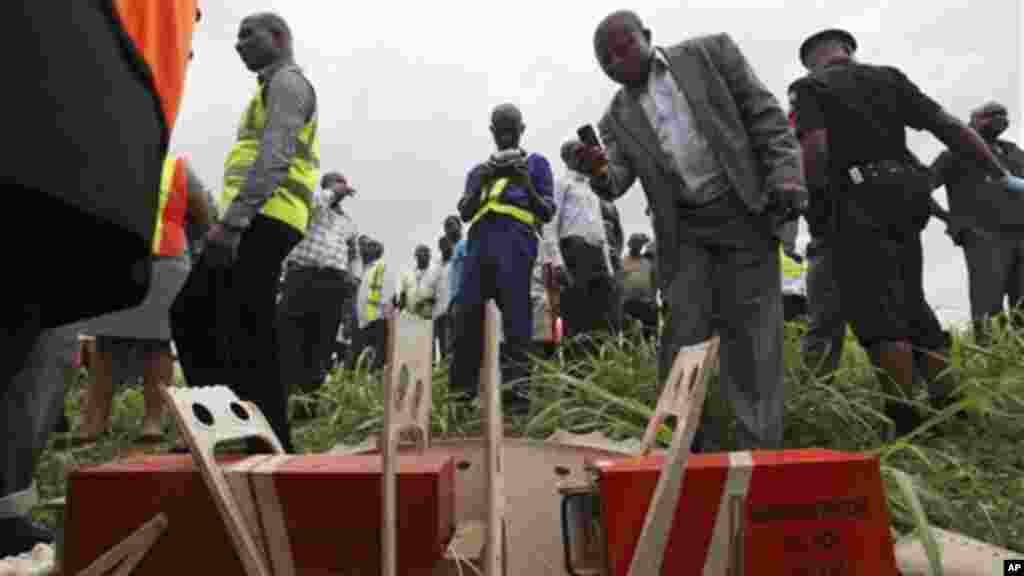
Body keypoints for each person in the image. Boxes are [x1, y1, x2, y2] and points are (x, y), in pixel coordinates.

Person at [2, 0, 200, 556]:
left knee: (44, 338)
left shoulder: (178, 165)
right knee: (54, 337)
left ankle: (8, 501)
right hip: (61, 108)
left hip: (107, 166)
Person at [580, 11, 806, 452]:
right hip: (684, 235)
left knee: (753, 337)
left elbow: (764, 115)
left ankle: (758, 451)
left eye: (624, 48)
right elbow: (616, 180)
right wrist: (597, 170)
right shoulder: (616, 118)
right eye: (606, 60)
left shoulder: (710, 53)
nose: (617, 62)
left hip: (743, 211)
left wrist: (786, 174)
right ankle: (685, 451)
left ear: (647, 36)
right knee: (683, 338)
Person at [790, 28, 1008, 436]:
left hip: (854, 205)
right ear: (848, 51)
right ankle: (950, 405)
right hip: (906, 200)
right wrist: (999, 172)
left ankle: (906, 419)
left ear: (812, 59)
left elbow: (814, 150)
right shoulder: (889, 78)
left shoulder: (809, 87)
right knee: (912, 301)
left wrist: (817, 211)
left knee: (876, 313)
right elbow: (950, 127)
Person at [172, 12, 320, 454]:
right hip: (262, 215)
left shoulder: (288, 83)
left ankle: (262, 438)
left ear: (279, 37)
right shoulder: (269, 88)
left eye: (248, 35)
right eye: (236, 37)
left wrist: (233, 221)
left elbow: (275, 156)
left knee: (231, 319)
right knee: (212, 315)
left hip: (265, 216)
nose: (239, 44)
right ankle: (236, 428)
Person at [76, 155, 217, 446]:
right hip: (115, 259)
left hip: (165, 260)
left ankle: (153, 420)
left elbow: (203, 214)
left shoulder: (177, 166)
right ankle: (96, 421)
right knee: (105, 343)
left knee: (156, 343)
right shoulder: (104, 160)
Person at [453, 103, 556, 416]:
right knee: (467, 317)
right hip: (478, 244)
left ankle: (517, 401)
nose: (506, 135)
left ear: (522, 130)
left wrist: (526, 184)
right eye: (500, 130)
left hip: (516, 242)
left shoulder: (536, 163)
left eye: (511, 129)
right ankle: (461, 399)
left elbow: (547, 211)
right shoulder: (479, 170)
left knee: (516, 319)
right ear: (492, 131)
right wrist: (481, 182)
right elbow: (465, 212)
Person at [930, 101, 1024, 342]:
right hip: (983, 237)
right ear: (972, 122)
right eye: (990, 115)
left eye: (1003, 115)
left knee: (1022, 303)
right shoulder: (954, 154)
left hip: (1021, 236)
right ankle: (990, 354)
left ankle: (1019, 355)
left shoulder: (1014, 152)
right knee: (988, 303)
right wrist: (949, 219)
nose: (1000, 119)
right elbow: (920, 190)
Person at [277, 172, 359, 396]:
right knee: (289, 338)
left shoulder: (349, 222)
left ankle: (309, 399)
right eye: (337, 182)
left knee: (322, 343)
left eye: (344, 182)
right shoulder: (312, 204)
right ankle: (282, 395)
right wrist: (331, 193)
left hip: (333, 284)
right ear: (326, 186)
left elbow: (354, 254)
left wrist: (354, 276)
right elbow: (312, 204)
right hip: (303, 277)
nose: (343, 186)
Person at [547, 139, 618, 351]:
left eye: (584, 151)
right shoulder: (561, 184)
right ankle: (576, 365)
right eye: (578, 152)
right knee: (577, 314)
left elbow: (600, 230)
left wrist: (609, 266)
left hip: (597, 254)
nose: (583, 155)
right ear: (567, 157)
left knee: (601, 315)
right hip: (575, 252)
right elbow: (550, 224)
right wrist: (558, 263)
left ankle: (599, 362)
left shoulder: (591, 188)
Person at [353, 239, 395, 372]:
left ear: (377, 251)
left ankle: (374, 376)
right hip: (365, 319)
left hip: (378, 318)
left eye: (369, 247)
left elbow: (388, 293)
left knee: (377, 354)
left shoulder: (382, 267)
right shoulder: (366, 269)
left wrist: (383, 314)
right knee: (364, 354)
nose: (365, 249)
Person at [419, 237, 453, 361]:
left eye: (447, 244)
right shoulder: (436, 265)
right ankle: (433, 366)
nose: (445, 247)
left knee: (447, 343)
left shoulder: (455, 262)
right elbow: (431, 284)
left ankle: (446, 365)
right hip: (436, 311)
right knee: (432, 342)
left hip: (450, 308)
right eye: (442, 245)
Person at [621, 233, 658, 340]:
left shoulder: (648, 262)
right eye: (635, 244)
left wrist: (653, 299)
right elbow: (618, 283)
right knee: (629, 336)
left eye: (639, 244)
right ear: (629, 245)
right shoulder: (623, 262)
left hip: (646, 303)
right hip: (628, 304)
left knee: (649, 334)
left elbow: (654, 282)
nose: (637, 247)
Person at [399, 244, 434, 320]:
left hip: (429, 317)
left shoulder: (435, 274)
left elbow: (440, 295)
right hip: (410, 317)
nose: (422, 257)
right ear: (416, 256)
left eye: (425, 254)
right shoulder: (408, 274)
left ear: (429, 257)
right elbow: (403, 294)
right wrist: (401, 310)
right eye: (419, 255)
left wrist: (425, 302)